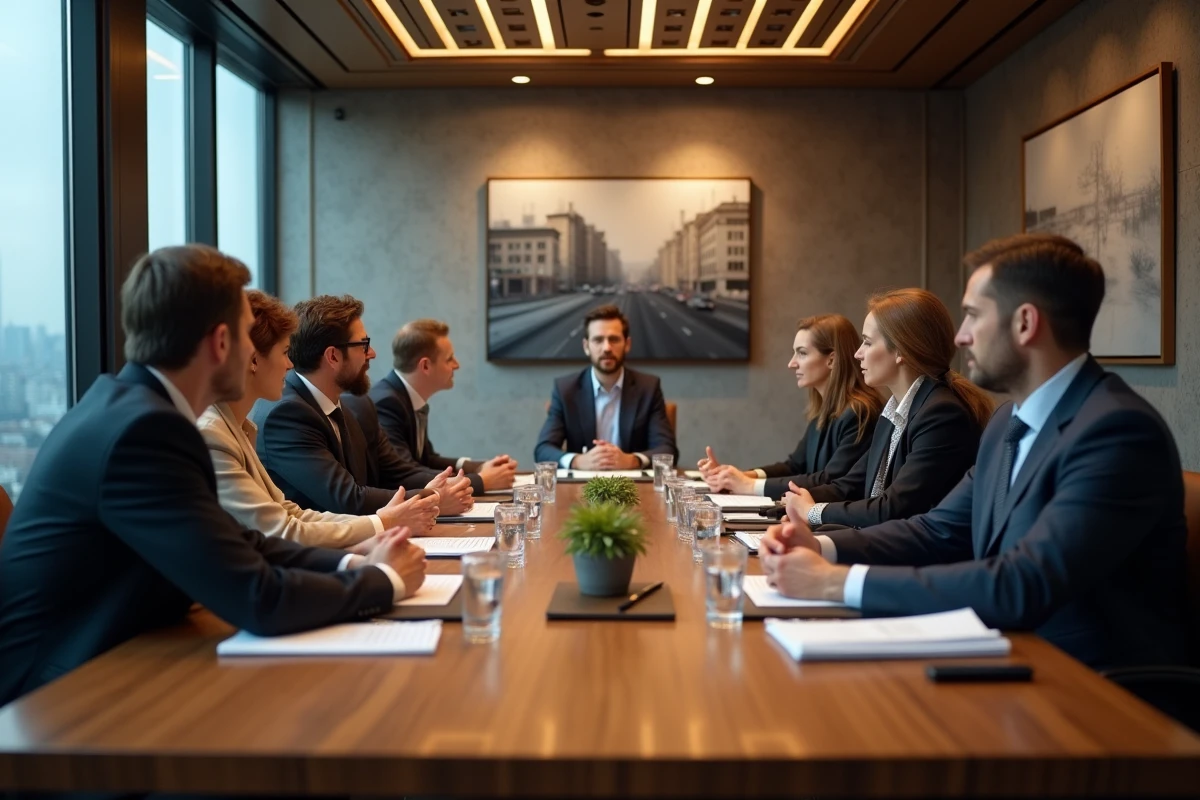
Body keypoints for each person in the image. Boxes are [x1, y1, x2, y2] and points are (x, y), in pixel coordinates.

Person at [0, 245, 426, 706]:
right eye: (248, 335)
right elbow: (256, 597)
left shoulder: (135, 409)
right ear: (221, 343)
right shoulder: (144, 431)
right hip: (57, 705)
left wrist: (353, 563)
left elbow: (243, 544)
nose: (259, 354)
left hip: (117, 665)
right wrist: (383, 581)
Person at [760, 233, 1190, 669]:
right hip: (1010, 657)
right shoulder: (1008, 421)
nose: (960, 337)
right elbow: (936, 530)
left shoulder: (1117, 432)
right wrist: (821, 548)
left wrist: (837, 583)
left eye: (972, 315)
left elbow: (1022, 583)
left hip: (1095, 688)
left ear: (1025, 323)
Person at [199, 291, 440, 549]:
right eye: (284, 353)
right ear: (253, 359)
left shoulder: (242, 426)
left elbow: (291, 513)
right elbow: (283, 529)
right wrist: (383, 523)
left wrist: (381, 523)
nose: (290, 364)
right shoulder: (216, 433)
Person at [783, 289, 994, 529]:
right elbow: (851, 484)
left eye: (868, 342)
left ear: (901, 351)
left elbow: (892, 509)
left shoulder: (941, 414)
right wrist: (791, 505)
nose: (857, 353)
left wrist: (812, 512)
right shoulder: (895, 410)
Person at [256, 295, 474, 518]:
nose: (372, 353)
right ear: (333, 356)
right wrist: (434, 498)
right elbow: (347, 498)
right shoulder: (286, 415)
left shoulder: (351, 405)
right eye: (363, 345)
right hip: (322, 548)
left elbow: (394, 472)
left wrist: (451, 487)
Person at [698, 314, 882, 499]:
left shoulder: (859, 413)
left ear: (832, 360)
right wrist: (736, 476)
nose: (791, 363)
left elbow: (831, 480)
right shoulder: (825, 410)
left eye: (802, 353)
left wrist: (749, 485)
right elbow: (794, 466)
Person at [358, 318, 517, 495]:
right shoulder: (386, 403)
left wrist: (477, 466)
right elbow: (403, 474)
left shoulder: (406, 397)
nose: (457, 365)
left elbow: (427, 460)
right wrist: (481, 480)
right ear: (425, 365)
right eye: (449, 359)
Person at [534, 304, 678, 469]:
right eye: (598, 340)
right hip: (582, 486)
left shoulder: (648, 388)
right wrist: (577, 461)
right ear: (586, 347)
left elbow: (668, 451)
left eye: (614, 339)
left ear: (627, 344)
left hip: (634, 488)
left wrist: (633, 460)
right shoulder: (566, 389)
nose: (607, 348)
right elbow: (543, 450)